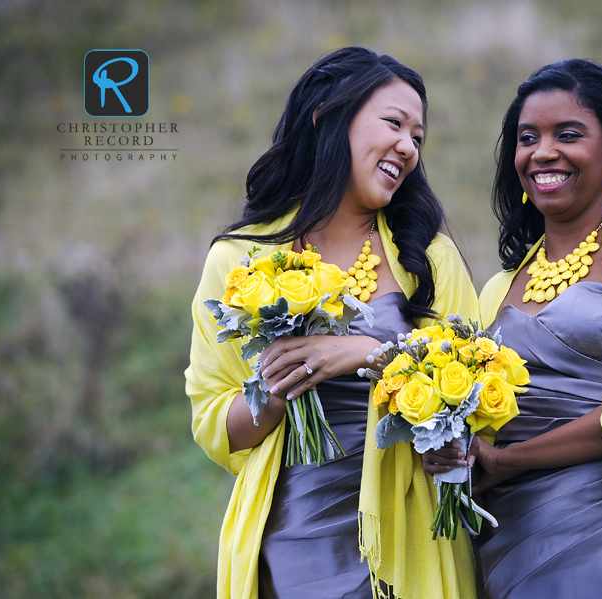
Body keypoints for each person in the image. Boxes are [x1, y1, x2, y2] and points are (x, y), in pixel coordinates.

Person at [186, 47, 479, 599]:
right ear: (326, 117)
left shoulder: (430, 260)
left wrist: (370, 353)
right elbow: (215, 424)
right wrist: (277, 385)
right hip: (292, 540)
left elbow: (479, 388)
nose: (408, 147)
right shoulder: (237, 261)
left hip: (410, 536)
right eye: (394, 123)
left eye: (418, 137)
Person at [423, 59, 602, 598]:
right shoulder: (496, 289)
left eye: (569, 134)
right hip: (512, 548)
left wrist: (503, 461)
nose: (543, 152)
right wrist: (452, 447)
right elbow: (479, 428)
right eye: (527, 137)